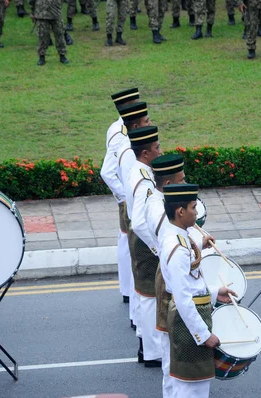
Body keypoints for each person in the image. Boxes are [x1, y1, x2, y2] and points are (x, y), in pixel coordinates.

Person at [160, 183, 235, 397]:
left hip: (191, 319)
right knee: (191, 388)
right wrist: (203, 335)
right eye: (194, 207)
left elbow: (191, 281)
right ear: (180, 211)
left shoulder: (181, 238)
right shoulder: (177, 247)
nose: (197, 212)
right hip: (189, 324)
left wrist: (213, 292)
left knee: (189, 386)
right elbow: (183, 297)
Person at [145, 154, 186, 397]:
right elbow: (171, 238)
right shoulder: (159, 208)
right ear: (169, 185)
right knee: (171, 352)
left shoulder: (167, 203)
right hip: (169, 275)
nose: (186, 183)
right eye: (182, 180)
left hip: (173, 268)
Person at [99, 88, 140, 306]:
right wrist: (125, 197)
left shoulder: (117, 128)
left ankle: (128, 288)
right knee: (128, 241)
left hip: (128, 196)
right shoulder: (120, 135)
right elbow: (107, 172)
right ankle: (128, 289)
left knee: (126, 239)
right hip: (128, 198)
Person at [127, 126, 163, 368]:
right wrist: (156, 247)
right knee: (150, 297)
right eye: (157, 148)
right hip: (144, 241)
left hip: (139, 240)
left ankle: (144, 345)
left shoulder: (138, 171)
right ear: (146, 153)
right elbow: (139, 222)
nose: (161, 151)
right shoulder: (145, 180)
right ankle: (152, 352)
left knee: (143, 295)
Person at [116, 101, 152, 332]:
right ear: (137, 125)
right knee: (146, 289)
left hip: (135, 215)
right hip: (138, 221)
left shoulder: (129, 151)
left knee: (144, 288)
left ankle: (139, 326)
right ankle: (144, 337)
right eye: (146, 121)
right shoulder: (132, 158)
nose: (150, 123)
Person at [30, 0, 70, 65]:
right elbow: (31, 1)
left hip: (55, 12)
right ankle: (41, 57)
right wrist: (33, 12)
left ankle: (62, 55)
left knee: (59, 34)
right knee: (42, 36)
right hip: (41, 13)